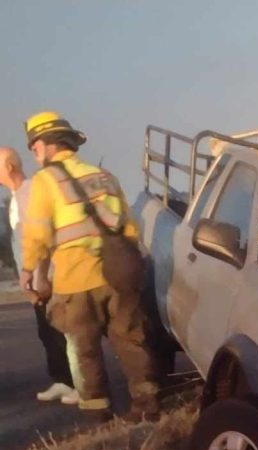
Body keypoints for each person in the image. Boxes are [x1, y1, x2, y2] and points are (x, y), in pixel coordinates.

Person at [19, 111, 160, 420]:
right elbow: (130, 228)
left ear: (46, 144)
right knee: (131, 340)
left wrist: (30, 271)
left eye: (34, 147)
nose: (34, 154)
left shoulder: (46, 180)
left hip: (77, 276)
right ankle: (147, 408)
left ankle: (99, 415)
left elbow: (38, 233)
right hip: (120, 272)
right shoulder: (105, 176)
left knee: (85, 350)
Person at [0, 147, 78, 402]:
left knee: (67, 332)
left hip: (47, 275)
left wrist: (41, 276)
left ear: (9, 167)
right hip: (33, 277)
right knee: (47, 332)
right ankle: (63, 380)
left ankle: (81, 385)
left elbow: (42, 236)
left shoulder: (31, 192)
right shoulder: (15, 196)